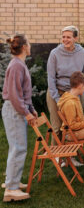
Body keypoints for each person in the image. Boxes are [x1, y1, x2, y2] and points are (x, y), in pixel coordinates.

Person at [1, 34, 37, 202]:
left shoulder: (19, 64)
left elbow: (23, 93)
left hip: (17, 109)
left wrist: (31, 109)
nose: (30, 46)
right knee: (18, 148)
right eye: (28, 43)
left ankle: (12, 181)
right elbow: (15, 95)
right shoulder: (16, 66)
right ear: (24, 47)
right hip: (14, 110)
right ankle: (11, 189)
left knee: (16, 146)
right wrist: (27, 113)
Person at [47, 26, 84, 145]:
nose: (65, 40)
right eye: (63, 37)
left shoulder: (83, 53)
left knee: (76, 125)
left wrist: (81, 91)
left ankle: (73, 155)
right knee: (57, 127)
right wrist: (57, 98)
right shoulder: (54, 53)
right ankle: (57, 156)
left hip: (76, 93)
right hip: (57, 92)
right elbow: (50, 78)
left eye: (68, 37)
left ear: (75, 38)